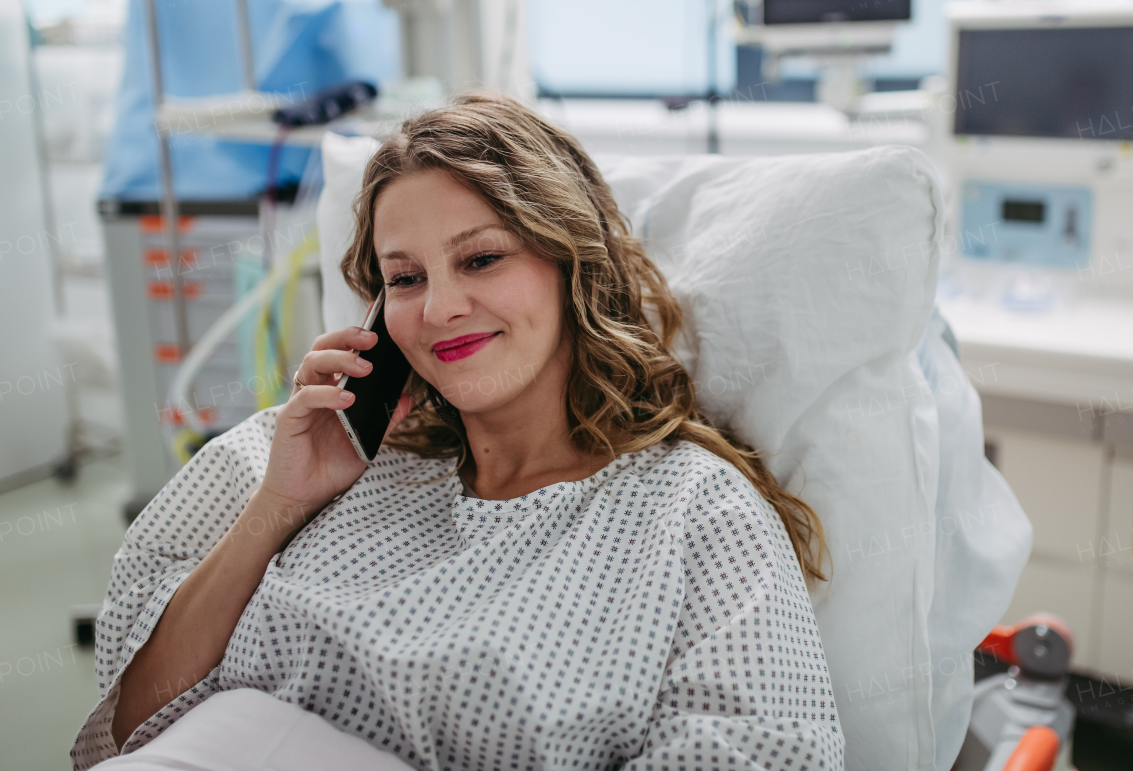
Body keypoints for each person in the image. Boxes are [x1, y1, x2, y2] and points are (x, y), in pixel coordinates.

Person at [71, 93, 844, 771]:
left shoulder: (692, 516)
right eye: (404, 278)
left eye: (480, 258)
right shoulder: (304, 456)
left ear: (573, 263)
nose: (439, 308)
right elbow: (130, 725)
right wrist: (281, 503)